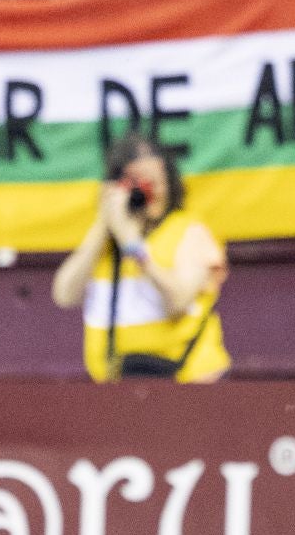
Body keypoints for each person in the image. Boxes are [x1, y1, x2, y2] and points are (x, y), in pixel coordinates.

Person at [50, 133, 232, 383]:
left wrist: (134, 247)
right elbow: (64, 294)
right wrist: (104, 224)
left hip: (187, 382)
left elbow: (178, 300)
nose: (149, 193)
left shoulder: (189, 232)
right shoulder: (106, 245)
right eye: (139, 184)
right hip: (118, 386)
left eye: (156, 183)